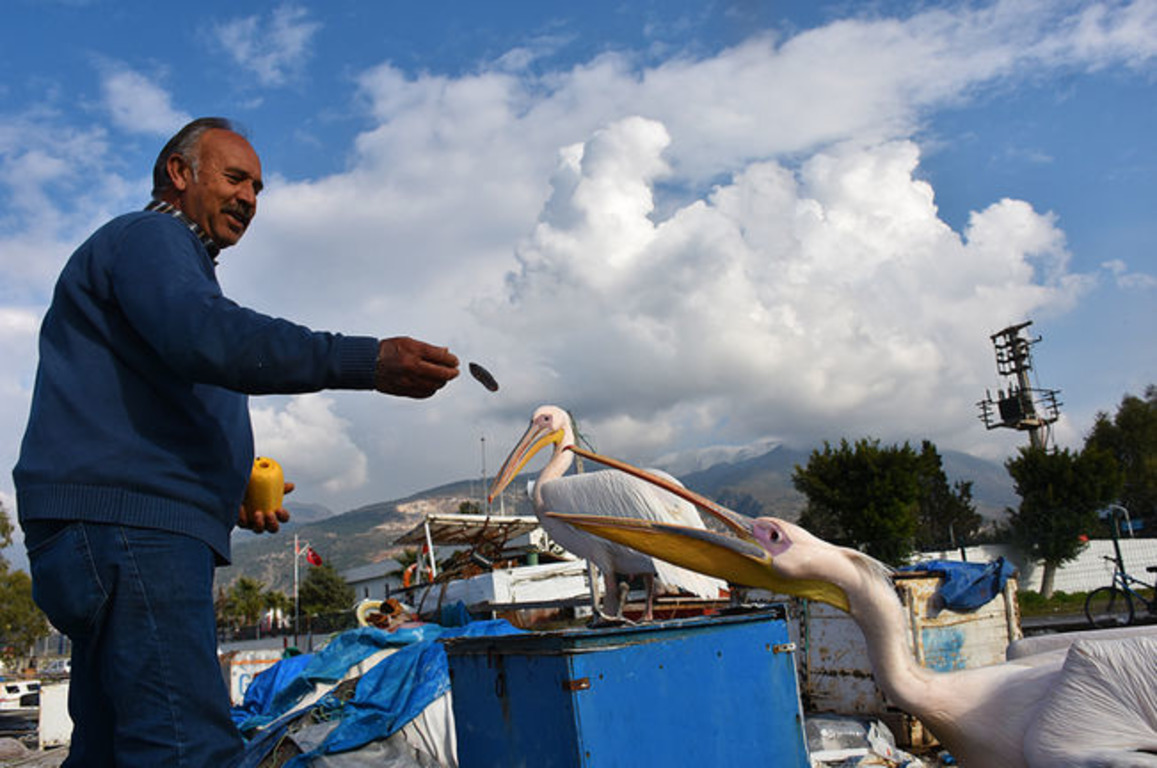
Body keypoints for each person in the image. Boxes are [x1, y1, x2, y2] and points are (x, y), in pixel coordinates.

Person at [12, 117, 460, 767]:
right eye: (233, 177)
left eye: (257, 187)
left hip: (108, 530)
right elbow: (211, 338)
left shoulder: (162, 265)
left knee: (111, 746)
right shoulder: (151, 237)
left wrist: (228, 490)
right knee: (184, 746)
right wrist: (367, 361)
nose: (249, 197)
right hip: (133, 531)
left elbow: (165, 377)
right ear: (179, 174)